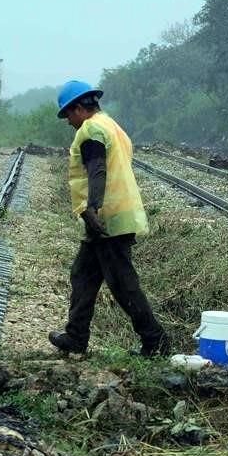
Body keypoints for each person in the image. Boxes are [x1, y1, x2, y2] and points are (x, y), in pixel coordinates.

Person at [48, 81, 169, 356]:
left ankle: (155, 341)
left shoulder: (91, 129)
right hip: (111, 216)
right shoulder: (112, 126)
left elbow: (97, 169)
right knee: (83, 274)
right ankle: (76, 336)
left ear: (79, 109)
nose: (68, 121)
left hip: (106, 218)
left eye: (68, 114)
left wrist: (92, 208)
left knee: (123, 284)